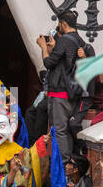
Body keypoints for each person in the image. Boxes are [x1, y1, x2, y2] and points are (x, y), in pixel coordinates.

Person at [36, 10, 88, 163]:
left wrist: (43, 48)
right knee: (65, 130)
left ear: (63, 24)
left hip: (60, 92)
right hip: (73, 92)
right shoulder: (79, 40)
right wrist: (54, 48)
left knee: (60, 131)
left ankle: (65, 167)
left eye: (59, 24)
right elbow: (65, 62)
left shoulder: (65, 40)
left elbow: (49, 63)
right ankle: (70, 163)